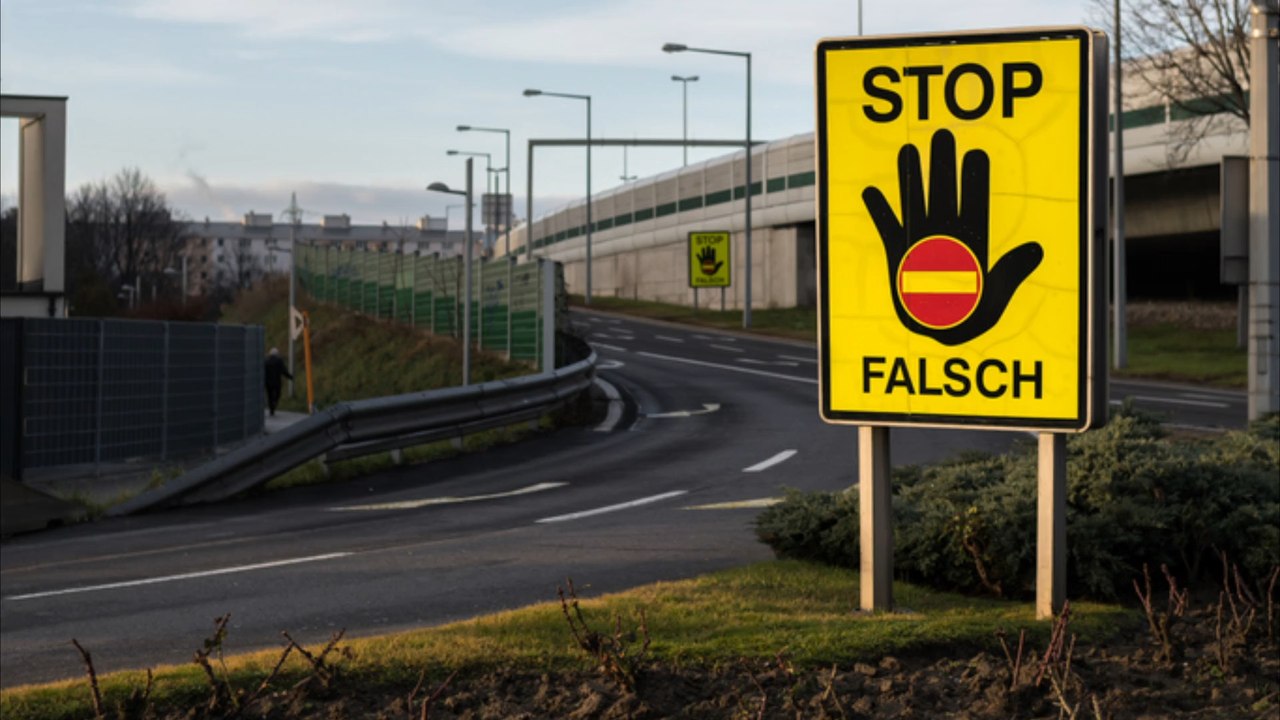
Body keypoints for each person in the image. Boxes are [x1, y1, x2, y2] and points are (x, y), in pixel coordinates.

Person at [264, 347, 293, 417]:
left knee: (270, 396)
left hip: (268, 382)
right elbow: (283, 370)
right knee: (278, 394)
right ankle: (275, 403)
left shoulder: (266, 361)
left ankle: (271, 410)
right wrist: (290, 377)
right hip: (277, 381)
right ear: (277, 354)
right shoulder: (279, 361)